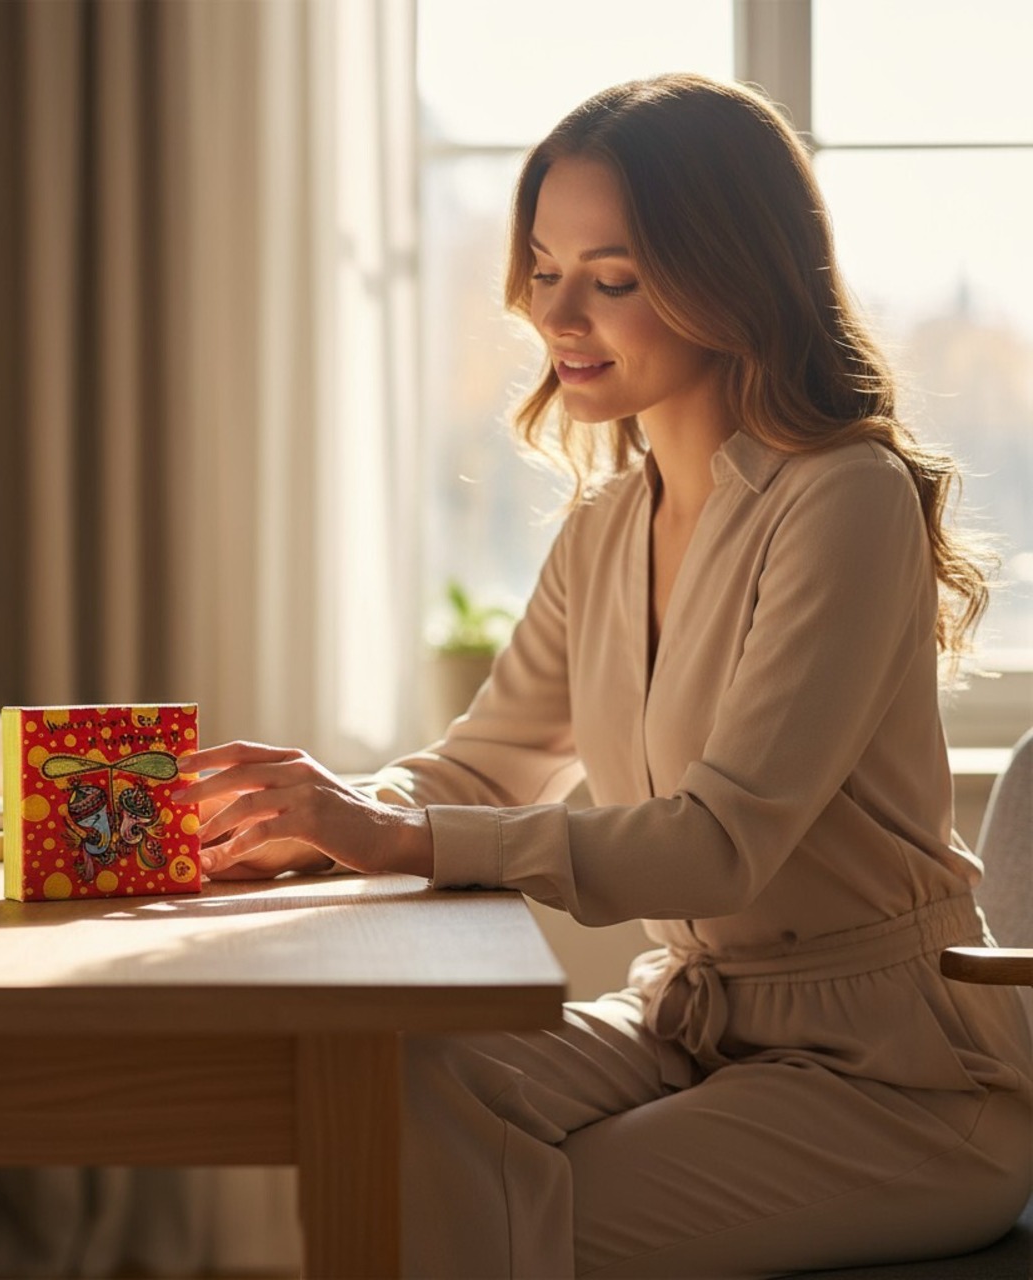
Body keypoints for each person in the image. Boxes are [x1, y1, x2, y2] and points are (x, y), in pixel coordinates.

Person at [179, 73, 1033, 1277]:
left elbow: (716, 842)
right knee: (385, 1087)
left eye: (612, 278)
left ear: (729, 277)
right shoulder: (604, 526)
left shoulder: (845, 498)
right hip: (689, 1015)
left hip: (895, 1077)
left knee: (506, 1211)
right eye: (541, 267)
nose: (556, 314)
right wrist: (297, 820)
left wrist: (396, 840)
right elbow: (482, 758)